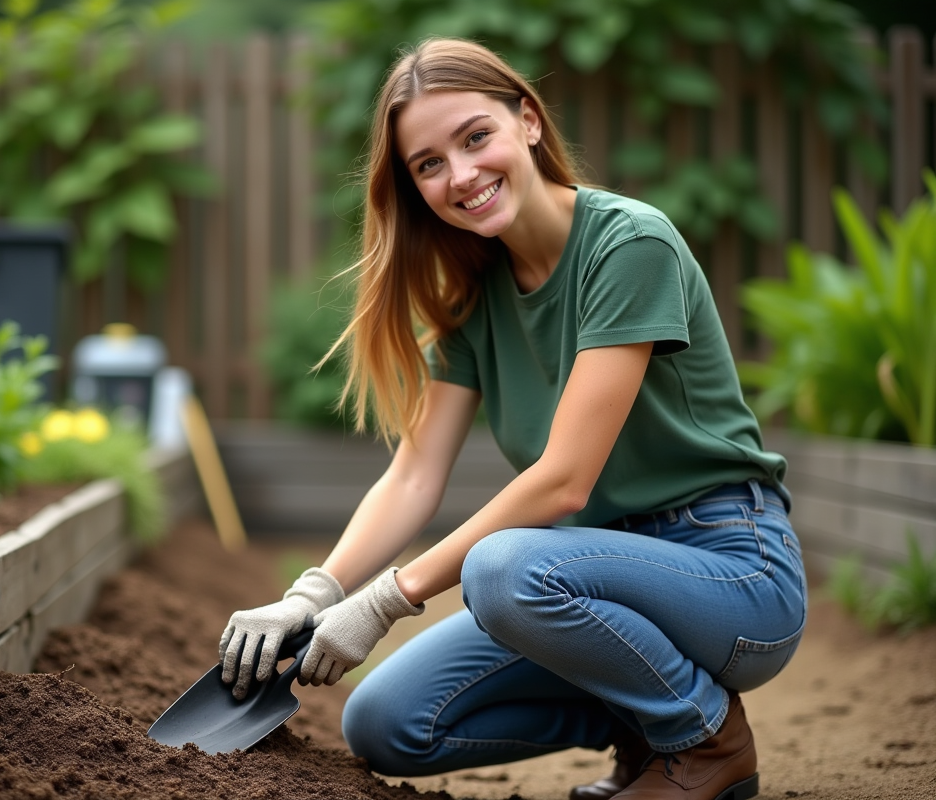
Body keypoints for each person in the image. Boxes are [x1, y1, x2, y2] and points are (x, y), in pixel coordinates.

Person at [217, 38, 806, 800]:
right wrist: (316, 592)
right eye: (428, 163)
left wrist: (390, 597)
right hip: (592, 581)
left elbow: (563, 483)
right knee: (387, 722)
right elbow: (413, 476)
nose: (460, 175)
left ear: (527, 121)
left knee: (502, 569)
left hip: (731, 570)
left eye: (474, 137)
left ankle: (705, 740)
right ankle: (641, 727)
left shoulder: (628, 244)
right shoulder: (474, 295)